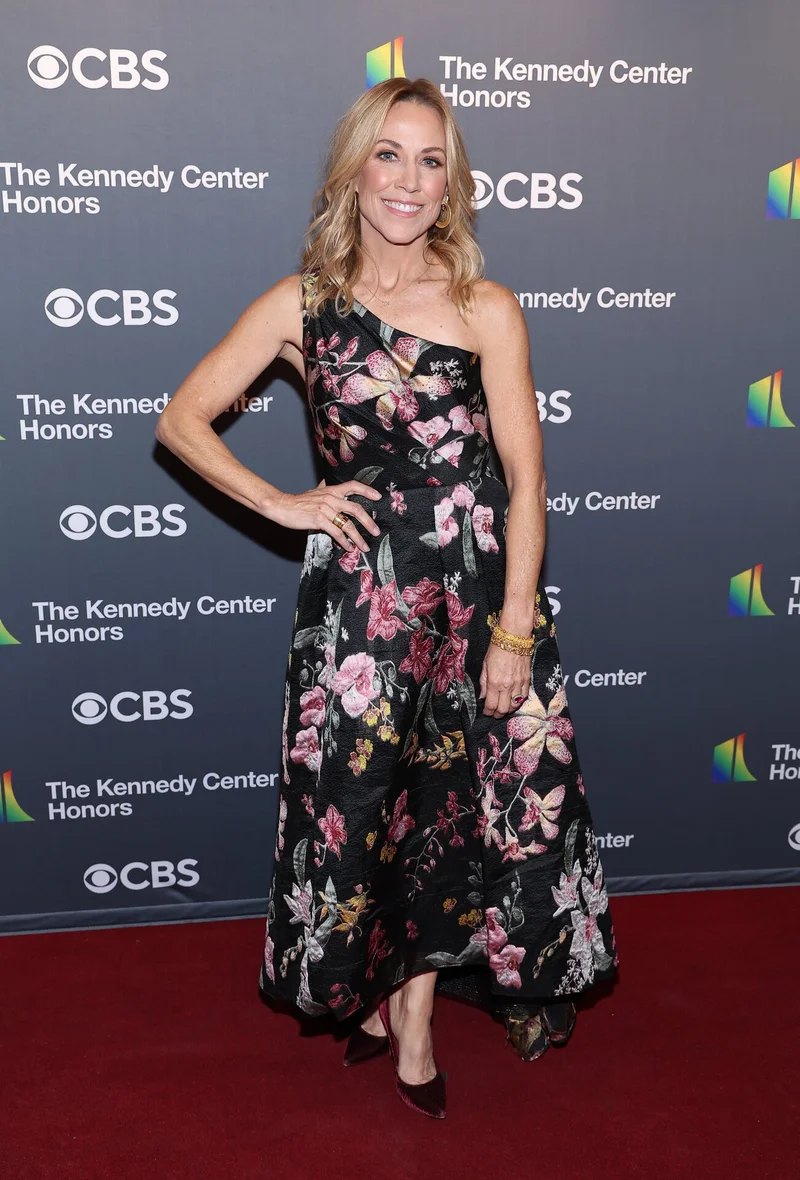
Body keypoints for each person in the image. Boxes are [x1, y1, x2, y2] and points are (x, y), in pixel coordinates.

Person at [156, 76, 617, 1120]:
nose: (408, 180)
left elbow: (526, 479)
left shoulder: (485, 307)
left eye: (431, 160)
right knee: (373, 812)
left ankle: (413, 1021)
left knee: (462, 810)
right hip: (364, 613)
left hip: (477, 605)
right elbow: (180, 420)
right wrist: (284, 504)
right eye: (389, 154)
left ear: (451, 184)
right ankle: (377, 998)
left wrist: (513, 629)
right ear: (353, 171)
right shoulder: (301, 305)